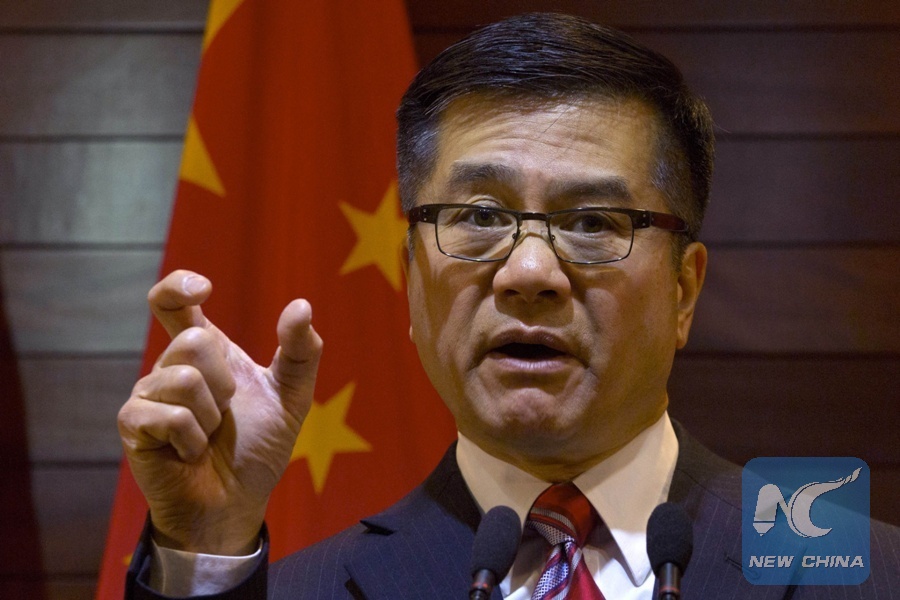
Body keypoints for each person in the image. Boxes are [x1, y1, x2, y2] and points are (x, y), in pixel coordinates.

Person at [118, 13, 898, 600]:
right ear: (411, 280)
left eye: (592, 222)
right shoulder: (297, 589)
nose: (528, 273)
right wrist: (206, 543)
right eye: (479, 217)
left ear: (683, 290)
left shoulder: (866, 572)